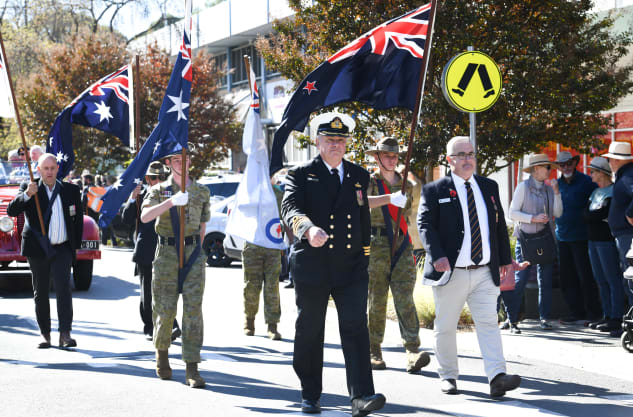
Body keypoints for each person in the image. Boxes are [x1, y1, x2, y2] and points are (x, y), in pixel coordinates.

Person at [281, 113, 386, 416]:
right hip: (313, 263)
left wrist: (365, 254)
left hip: (350, 265)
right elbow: (291, 208)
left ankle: (361, 396)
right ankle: (310, 393)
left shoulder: (357, 175)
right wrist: (307, 229)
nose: (336, 145)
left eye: (341, 140)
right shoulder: (301, 174)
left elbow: (362, 215)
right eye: (330, 140)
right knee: (310, 330)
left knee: (355, 328)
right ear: (317, 142)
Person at [418, 136, 521, 398]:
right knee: (446, 325)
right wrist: (438, 255)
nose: (467, 159)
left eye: (471, 154)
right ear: (449, 159)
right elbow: (425, 225)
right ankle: (448, 375)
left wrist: (506, 260)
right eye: (461, 155)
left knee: (488, 323)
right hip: (451, 272)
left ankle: (497, 376)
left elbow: (498, 227)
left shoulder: (488, 186)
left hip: (485, 272)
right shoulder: (435, 190)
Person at [140, 151, 210, 388]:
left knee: (193, 310)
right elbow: (145, 216)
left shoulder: (201, 191)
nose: (183, 163)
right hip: (167, 253)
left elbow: (202, 226)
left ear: (191, 161)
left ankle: (192, 366)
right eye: (177, 160)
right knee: (164, 308)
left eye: (186, 159)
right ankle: (162, 354)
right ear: (169, 163)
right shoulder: (159, 190)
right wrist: (170, 202)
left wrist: (198, 254)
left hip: (193, 254)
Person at [365, 137, 430, 372]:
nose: (392, 159)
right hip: (376, 244)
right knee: (377, 299)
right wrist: (388, 199)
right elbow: (361, 203)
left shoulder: (407, 185)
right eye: (387, 155)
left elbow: (409, 217)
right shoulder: (369, 182)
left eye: (395, 156)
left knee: (405, 298)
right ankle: (373, 350)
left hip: (401, 245)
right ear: (377, 157)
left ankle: (412, 350)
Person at [7, 153, 83, 349]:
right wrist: (27, 195)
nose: (49, 172)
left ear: (58, 169)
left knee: (63, 290)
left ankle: (65, 334)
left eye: (52, 168)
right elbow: (12, 211)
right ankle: (45, 334)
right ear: (38, 170)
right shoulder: (29, 187)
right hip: (38, 249)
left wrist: (74, 247)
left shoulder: (70, 190)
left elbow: (78, 220)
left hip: (62, 248)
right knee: (40, 292)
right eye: (45, 169)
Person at [501, 154, 562, 333]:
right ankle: (511, 318)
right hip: (526, 240)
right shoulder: (523, 187)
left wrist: (557, 193)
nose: (549, 170)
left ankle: (544, 318)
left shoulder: (550, 189)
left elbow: (558, 214)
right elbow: (512, 213)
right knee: (519, 280)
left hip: (545, 240)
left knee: (546, 281)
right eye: (546, 167)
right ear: (536, 170)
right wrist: (533, 218)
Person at [122, 161, 181, 341]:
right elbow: (126, 220)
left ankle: (170, 324)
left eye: (162, 177)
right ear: (148, 179)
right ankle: (150, 325)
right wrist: (132, 199)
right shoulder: (141, 196)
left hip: (167, 248)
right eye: (155, 177)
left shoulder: (169, 194)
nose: (158, 181)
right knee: (147, 291)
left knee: (167, 290)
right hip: (147, 249)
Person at [554, 151, 602, 324]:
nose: (566, 167)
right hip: (562, 236)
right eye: (562, 165)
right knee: (567, 277)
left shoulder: (587, 182)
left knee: (586, 275)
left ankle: (593, 313)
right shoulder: (557, 184)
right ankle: (576, 312)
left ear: (575, 163)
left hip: (582, 236)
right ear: (558, 167)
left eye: (569, 163)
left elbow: (599, 201)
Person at [582, 156, 626, 333]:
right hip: (592, 240)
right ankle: (606, 314)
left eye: (593, 171)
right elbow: (586, 214)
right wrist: (595, 216)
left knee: (612, 279)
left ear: (602, 173)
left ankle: (616, 316)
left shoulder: (613, 191)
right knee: (600, 279)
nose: (590, 174)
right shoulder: (595, 193)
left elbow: (602, 214)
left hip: (607, 240)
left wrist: (594, 216)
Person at [242, 177, 284, 340]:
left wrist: (290, 238)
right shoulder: (250, 192)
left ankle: (272, 325)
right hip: (253, 244)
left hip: (272, 244)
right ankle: (249, 320)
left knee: (272, 286)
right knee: (251, 285)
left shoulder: (279, 194)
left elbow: (286, 214)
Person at [604, 141, 633, 311]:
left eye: (610, 159)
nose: (609, 163)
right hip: (624, 234)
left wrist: (630, 213)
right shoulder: (626, 175)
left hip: (627, 235)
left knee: (630, 277)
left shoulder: (628, 175)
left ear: (616, 160)